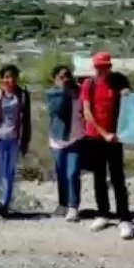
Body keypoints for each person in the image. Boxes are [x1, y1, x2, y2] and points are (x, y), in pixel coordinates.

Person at [80, 52, 134, 239]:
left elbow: (129, 103)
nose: (102, 70)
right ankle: (103, 212)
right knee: (99, 177)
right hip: (96, 136)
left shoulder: (118, 81)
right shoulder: (89, 84)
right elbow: (87, 112)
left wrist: (127, 94)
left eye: (105, 66)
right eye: (99, 66)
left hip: (115, 137)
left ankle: (124, 217)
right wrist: (104, 134)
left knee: (118, 178)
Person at [0, 64, 32, 221]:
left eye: (13, 76)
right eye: (7, 77)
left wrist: (25, 141)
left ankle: (4, 207)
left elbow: (27, 120)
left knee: (9, 175)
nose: (11, 80)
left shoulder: (22, 95)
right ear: (1, 79)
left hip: (14, 140)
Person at [46, 65, 82, 222]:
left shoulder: (79, 91)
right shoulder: (52, 93)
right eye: (61, 76)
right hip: (58, 139)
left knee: (72, 172)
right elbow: (56, 110)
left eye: (67, 75)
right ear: (55, 79)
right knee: (61, 174)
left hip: (75, 137)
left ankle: (73, 206)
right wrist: (63, 90)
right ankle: (63, 204)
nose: (65, 78)